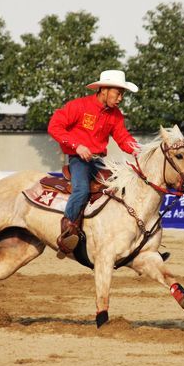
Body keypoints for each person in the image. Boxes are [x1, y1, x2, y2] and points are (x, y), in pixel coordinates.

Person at [47, 69, 140, 256]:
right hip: (78, 159)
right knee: (81, 189)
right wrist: (77, 146)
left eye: (122, 94)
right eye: (118, 92)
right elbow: (54, 126)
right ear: (104, 90)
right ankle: (68, 231)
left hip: (98, 161)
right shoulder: (78, 106)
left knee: (120, 189)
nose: (121, 98)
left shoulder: (115, 115)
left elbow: (123, 137)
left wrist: (140, 151)